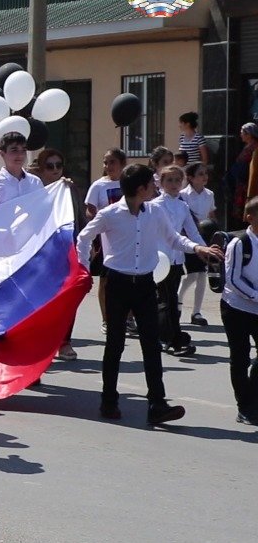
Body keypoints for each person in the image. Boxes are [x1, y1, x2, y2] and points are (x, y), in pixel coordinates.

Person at [76, 164, 222, 424]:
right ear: (141, 188)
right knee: (115, 344)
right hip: (118, 284)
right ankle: (109, 401)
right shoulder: (110, 214)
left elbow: (174, 238)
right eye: (152, 184)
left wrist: (198, 248)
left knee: (151, 345)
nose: (155, 188)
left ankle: (157, 404)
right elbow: (84, 237)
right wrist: (84, 269)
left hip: (145, 284)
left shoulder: (155, 211)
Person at [34, 148, 85, 361]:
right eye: (50, 166)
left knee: (68, 296)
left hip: (66, 249)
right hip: (41, 253)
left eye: (58, 165)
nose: (55, 170)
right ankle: (43, 343)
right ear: (41, 169)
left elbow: (79, 218)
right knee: (43, 301)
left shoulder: (68, 188)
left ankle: (65, 342)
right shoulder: (33, 190)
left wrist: (83, 243)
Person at [150, 164, 203, 357]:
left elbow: (193, 232)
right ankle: (171, 338)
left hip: (176, 259)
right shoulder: (155, 205)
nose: (173, 184)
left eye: (177, 180)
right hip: (158, 260)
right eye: (169, 180)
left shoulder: (182, 206)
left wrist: (204, 249)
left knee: (170, 299)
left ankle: (169, 336)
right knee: (166, 299)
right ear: (161, 183)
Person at [222, 196, 258, 425]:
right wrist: (255, 296)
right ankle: (244, 406)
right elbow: (232, 279)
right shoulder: (240, 243)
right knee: (240, 356)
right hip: (236, 307)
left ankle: (253, 397)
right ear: (249, 217)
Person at [86, 148, 128, 330]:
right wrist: (98, 220)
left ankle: (129, 318)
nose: (108, 166)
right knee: (106, 280)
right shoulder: (98, 186)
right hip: (106, 240)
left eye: (112, 162)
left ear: (122, 164)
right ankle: (106, 319)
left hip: (128, 237)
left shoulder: (129, 183)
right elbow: (90, 209)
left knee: (129, 278)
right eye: (105, 162)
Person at [181, 162, 216, 326]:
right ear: (191, 178)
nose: (204, 177)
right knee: (193, 274)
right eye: (200, 174)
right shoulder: (183, 195)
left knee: (201, 274)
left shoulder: (209, 194)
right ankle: (178, 304)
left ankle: (196, 312)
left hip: (204, 238)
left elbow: (211, 215)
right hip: (188, 238)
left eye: (205, 173)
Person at [0, 132, 43, 214]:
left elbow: (44, 209)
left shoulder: (35, 182)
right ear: (2, 154)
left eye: (23, 150)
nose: (20, 155)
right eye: (14, 150)